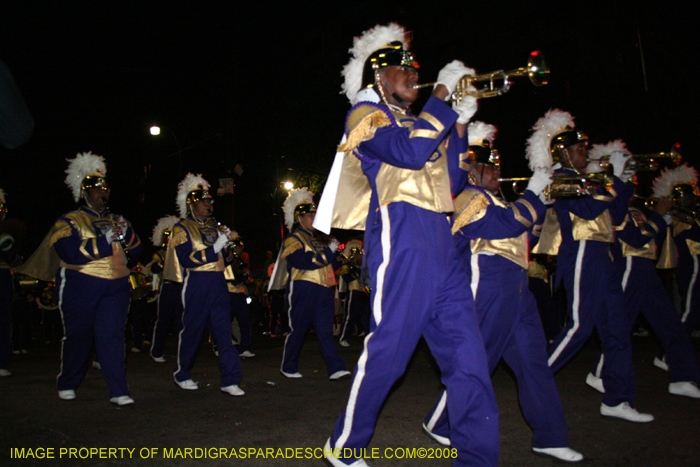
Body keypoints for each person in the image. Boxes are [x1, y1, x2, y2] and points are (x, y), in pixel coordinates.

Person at [315, 24, 499, 467]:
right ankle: (344, 445)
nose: (413, 72)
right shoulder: (365, 116)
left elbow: (453, 182)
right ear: (379, 77)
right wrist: (441, 98)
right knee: (390, 357)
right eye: (404, 67)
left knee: (470, 365)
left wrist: (459, 119)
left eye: (415, 66)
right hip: (403, 249)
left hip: (445, 251)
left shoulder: (424, 124)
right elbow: (410, 154)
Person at [422, 122, 582, 462]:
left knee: (533, 363)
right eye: (489, 165)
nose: (497, 170)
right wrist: (533, 195)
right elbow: (502, 225)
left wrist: (542, 201)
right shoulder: (466, 196)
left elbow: (527, 236)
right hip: (487, 283)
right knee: (478, 361)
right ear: (473, 170)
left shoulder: (497, 199)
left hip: (518, 284)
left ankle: (550, 436)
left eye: (496, 164)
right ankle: (440, 421)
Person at [528, 111, 653, 422]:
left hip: (604, 255)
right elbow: (586, 209)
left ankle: (617, 399)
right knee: (580, 325)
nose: (586, 152)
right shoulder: (559, 179)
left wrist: (621, 180)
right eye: (580, 149)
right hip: (581, 253)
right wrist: (610, 184)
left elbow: (618, 212)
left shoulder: (591, 179)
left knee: (617, 329)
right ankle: (534, 377)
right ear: (564, 153)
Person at [53, 152, 142, 405]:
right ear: (85, 193)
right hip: (81, 284)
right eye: (98, 190)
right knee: (79, 336)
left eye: (106, 190)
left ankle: (118, 390)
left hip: (116, 286)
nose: (104, 194)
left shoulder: (116, 219)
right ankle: (68, 381)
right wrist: (104, 241)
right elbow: (69, 252)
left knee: (112, 335)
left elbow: (136, 251)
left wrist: (127, 232)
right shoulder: (68, 220)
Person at [164, 173, 244, 396]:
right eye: (204, 201)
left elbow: (226, 260)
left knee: (223, 331)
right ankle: (182, 374)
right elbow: (186, 259)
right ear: (192, 204)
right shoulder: (182, 228)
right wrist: (214, 249)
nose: (209, 205)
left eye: (210, 201)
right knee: (194, 330)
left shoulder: (215, 227)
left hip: (218, 281)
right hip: (197, 281)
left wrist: (227, 246)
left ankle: (230, 379)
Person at [275, 188, 348, 380]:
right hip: (304, 289)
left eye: (314, 215)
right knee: (298, 330)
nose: (313, 218)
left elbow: (331, 264)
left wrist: (339, 253)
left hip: (324, 290)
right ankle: (288, 366)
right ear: (299, 218)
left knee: (325, 332)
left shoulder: (319, 240)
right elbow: (304, 262)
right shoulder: (293, 239)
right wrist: (328, 251)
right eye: (309, 215)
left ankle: (335, 368)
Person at [148, 215, 182, 363]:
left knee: (182, 322)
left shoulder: (181, 253)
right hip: (167, 288)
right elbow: (154, 267)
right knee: (163, 321)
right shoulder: (160, 254)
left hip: (181, 288)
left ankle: (184, 352)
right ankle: (156, 351)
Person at [337, 239, 370, 347]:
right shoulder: (348, 266)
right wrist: (354, 273)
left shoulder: (364, 266)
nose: (361, 255)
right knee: (350, 316)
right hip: (354, 291)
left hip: (365, 292)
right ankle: (343, 337)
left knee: (368, 316)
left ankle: (368, 338)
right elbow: (346, 276)